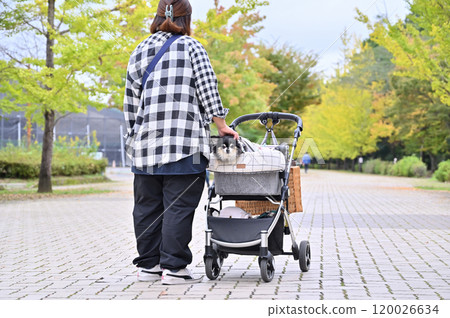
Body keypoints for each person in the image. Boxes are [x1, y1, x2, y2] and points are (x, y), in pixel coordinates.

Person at [123, 0, 238, 285]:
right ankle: (173, 268)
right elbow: (207, 88)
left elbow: (130, 101)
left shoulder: (139, 49)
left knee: (147, 207)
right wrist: (222, 126)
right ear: (186, 19)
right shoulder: (192, 47)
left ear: (158, 16)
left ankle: (149, 266)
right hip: (184, 144)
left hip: (145, 146)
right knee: (178, 206)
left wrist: (132, 139)